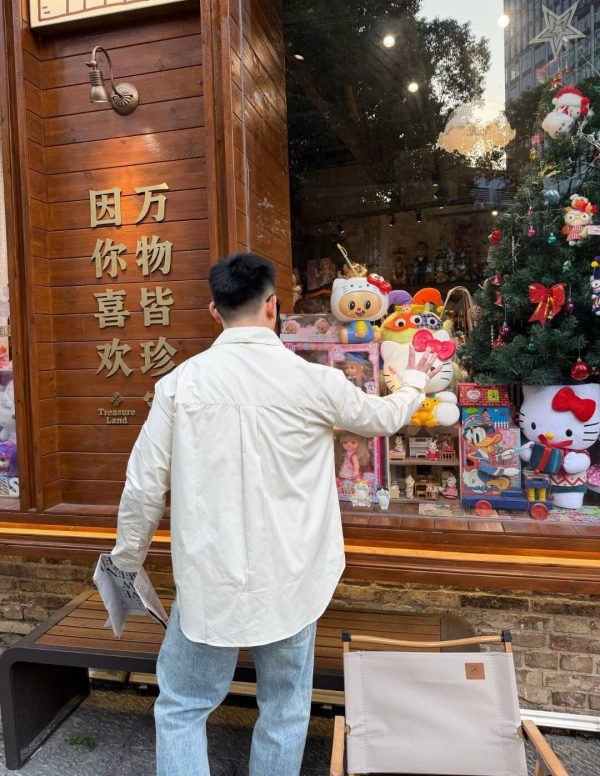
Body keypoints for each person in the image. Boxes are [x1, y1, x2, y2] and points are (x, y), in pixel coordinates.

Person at [110, 252, 435, 776]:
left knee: (182, 709)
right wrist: (416, 383)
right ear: (273, 307)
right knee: (285, 711)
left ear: (214, 312)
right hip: (293, 576)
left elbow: (144, 485)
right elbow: (382, 419)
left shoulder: (180, 385)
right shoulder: (313, 381)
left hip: (208, 582)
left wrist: (127, 561)